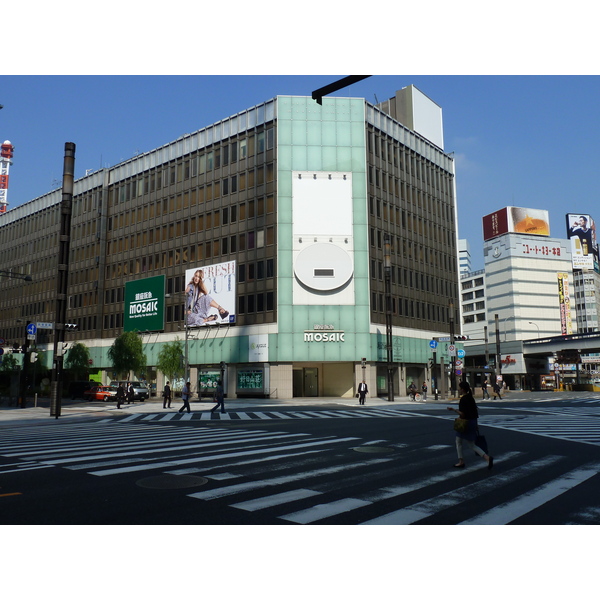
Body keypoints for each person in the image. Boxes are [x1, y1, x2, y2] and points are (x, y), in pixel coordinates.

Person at [447, 381, 493, 469]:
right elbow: (474, 412)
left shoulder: (463, 399)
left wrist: (453, 409)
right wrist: (475, 424)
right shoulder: (471, 398)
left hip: (465, 424)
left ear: (463, 389)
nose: (459, 390)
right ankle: (487, 458)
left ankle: (461, 461)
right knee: (471, 444)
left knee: (459, 442)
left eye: (460, 388)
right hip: (473, 422)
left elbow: (463, 414)